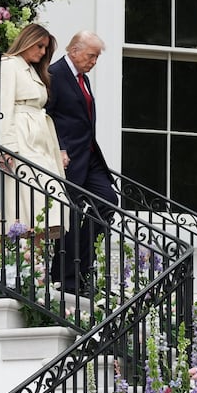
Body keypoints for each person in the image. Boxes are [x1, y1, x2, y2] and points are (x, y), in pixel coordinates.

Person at [47, 30, 117, 294]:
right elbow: (47, 115)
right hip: (68, 158)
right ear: (74, 50)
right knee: (71, 215)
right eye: (91, 56)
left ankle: (82, 267)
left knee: (108, 203)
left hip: (90, 157)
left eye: (97, 57)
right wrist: (60, 148)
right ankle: (67, 277)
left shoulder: (82, 78)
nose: (94, 61)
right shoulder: (54, 74)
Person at [0, 23, 70, 242]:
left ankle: (35, 265)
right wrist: (6, 148)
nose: (43, 52)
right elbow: (3, 108)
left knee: (46, 198)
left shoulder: (33, 71)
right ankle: (19, 258)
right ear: (27, 41)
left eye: (45, 48)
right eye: (39, 46)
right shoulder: (9, 64)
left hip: (40, 138)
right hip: (21, 136)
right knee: (26, 199)